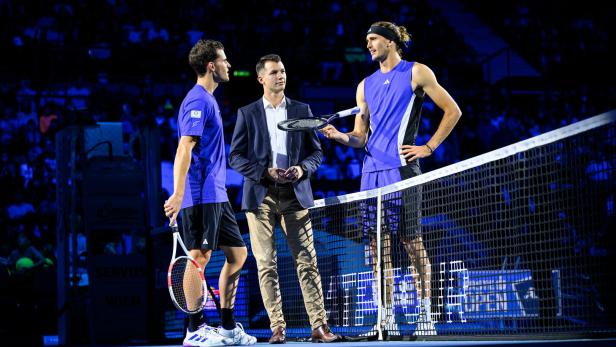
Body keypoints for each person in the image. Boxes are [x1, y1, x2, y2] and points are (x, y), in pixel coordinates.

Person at [320, 21, 462, 337]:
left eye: (372, 39)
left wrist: (429, 146)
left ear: (390, 42)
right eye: (366, 39)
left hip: (402, 171)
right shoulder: (364, 85)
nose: (368, 44)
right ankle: (385, 320)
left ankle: (425, 317)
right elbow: (359, 136)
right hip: (370, 174)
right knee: (375, 248)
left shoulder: (417, 72)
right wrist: (340, 137)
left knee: (412, 242)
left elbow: (453, 111)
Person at [229, 54, 341, 344]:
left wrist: (302, 169)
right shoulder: (247, 113)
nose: (281, 76)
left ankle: (319, 326)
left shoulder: (302, 110)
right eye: (274, 72)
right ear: (260, 78)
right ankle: (277, 328)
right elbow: (235, 157)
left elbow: (316, 153)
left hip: (295, 194)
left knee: (308, 261)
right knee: (266, 263)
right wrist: (264, 172)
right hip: (260, 196)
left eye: (283, 71)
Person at [164, 39, 256, 347]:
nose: (229, 65)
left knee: (238, 255)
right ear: (210, 65)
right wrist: (177, 194)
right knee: (199, 258)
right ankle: (194, 329)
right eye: (224, 60)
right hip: (199, 195)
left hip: (217, 195)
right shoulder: (197, 101)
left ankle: (228, 327)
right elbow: (184, 147)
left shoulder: (210, 100)